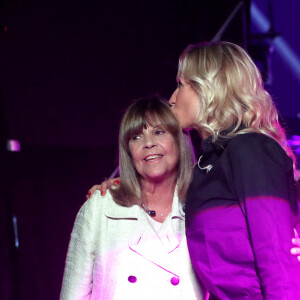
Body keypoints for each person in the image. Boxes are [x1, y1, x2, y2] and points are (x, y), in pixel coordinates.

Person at [90, 42, 300, 299]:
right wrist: (121, 189)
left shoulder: (249, 149)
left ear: (208, 88)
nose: (172, 99)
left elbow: (277, 261)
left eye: (181, 85)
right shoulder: (208, 164)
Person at [60, 97, 206, 300]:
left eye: (159, 132)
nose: (148, 143)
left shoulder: (202, 206)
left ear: (178, 140)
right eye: (136, 137)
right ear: (128, 151)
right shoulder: (101, 207)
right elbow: (72, 295)